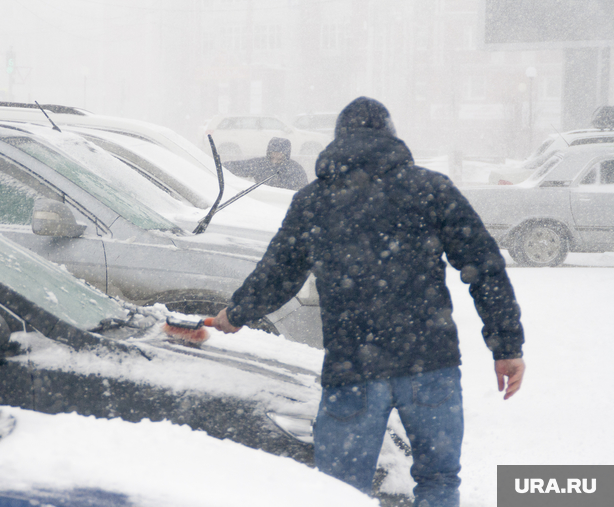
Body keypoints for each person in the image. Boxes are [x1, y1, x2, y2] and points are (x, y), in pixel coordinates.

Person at [211, 96, 525, 506]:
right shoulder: (431, 190)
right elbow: (484, 267)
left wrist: (235, 314)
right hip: (430, 363)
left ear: (338, 140)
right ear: (391, 137)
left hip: (353, 367)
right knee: (439, 482)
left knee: (340, 493)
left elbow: (279, 272)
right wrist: (507, 347)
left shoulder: (314, 201)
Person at [225, 137, 309, 191]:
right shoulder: (260, 164)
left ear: (286, 154)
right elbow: (239, 167)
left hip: (284, 204)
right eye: (274, 152)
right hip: (262, 202)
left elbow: (304, 190)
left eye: (280, 152)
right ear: (269, 152)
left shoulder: (296, 169)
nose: (276, 154)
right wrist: (218, 166)